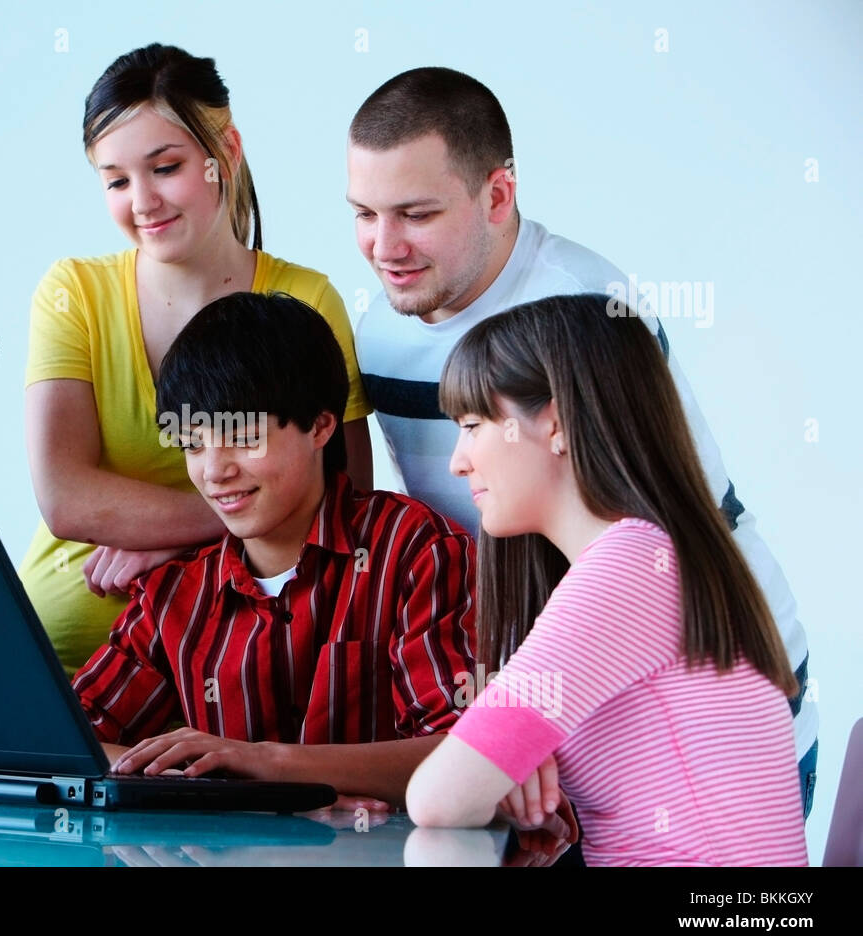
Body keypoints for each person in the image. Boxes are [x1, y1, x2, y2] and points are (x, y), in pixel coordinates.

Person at [345, 66, 817, 817]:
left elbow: (637, 559)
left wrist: (521, 714)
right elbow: (465, 537)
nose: (384, 245)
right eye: (364, 214)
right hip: (558, 697)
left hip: (700, 695)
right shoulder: (378, 334)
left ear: (499, 195)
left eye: (415, 213)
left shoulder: (582, 308)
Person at [405, 294, 808, 866]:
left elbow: (436, 799)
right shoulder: (652, 555)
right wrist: (513, 754)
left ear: (557, 423)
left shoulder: (632, 567)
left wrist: (492, 761)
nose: (458, 461)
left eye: (473, 425)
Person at [21, 43, 374, 677]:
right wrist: (238, 514)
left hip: (237, 668)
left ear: (226, 153)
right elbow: (65, 498)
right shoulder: (72, 292)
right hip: (57, 660)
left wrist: (182, 537)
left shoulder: (306, 299)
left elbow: (343, 499)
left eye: (166, 167)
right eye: (116, 181)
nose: (143, 201)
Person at [72, 292, 473, 807]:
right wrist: (253, 792)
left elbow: (468, 755)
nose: (214, 471)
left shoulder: (416, 552)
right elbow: (63, 745)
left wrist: (267, 765)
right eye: (193, 444)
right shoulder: (175, 592)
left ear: (321, 427)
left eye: (241, 437)